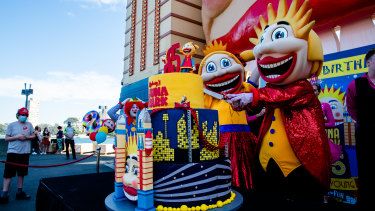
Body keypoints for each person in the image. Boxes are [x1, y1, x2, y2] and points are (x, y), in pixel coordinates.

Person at [346, 47, 375, 208]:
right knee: (366, 169)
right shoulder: (355, 85)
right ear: (368, 62)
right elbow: (351, 107)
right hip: (366, 133)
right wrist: (364, 121)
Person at [0, 107, 34, 204]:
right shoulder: (11, 125)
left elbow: (33, 136)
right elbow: (6, 138)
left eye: (26, 115)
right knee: (8, 174)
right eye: (22, 115)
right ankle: (4, 194)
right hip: (13, 153)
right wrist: (17, 137)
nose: (24, 117)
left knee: (21, 173)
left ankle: (19, 192)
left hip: (24, 153)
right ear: (18, 115)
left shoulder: (29, 125)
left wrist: (26, 137)